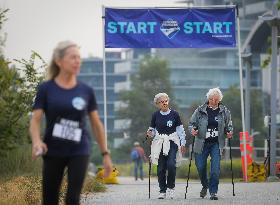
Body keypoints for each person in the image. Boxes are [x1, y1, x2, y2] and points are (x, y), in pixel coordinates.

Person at [29, 40, 113, 205]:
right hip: (53, 149)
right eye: (73, 57)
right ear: (59, 61)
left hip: (79, 148)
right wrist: (37, 141)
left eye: (79, 57)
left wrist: (105, 155)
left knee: (72, 199)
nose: (77, 61)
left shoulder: (85, 91)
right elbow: (35, 120)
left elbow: (96, 125)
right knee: (50, 199)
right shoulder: (46, 89)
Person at [188, 87, 233, 200]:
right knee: (200, 166)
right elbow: (191, 123)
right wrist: (193, 129)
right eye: (212, 99)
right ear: (208, 98)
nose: (213, 101)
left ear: (219, 100)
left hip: (216, 144)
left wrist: (229, 131)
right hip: (201, 143)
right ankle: (205, 185)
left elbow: (229, 125)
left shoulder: (224, 111)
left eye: (216, 99)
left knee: (215, 169)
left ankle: (213, 192)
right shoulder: (200, 110)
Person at [146, 93, 186, 199]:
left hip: (172, 141)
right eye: (162, 102)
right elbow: (153, 130)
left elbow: (180, 130)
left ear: (168, 101)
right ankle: (162, 191)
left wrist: (183, 143)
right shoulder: (155, 115)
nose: (164, 103)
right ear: (158, 104)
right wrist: (150, 133)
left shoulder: (174, 114)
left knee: (171, 165)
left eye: (166, 101)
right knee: (161, 168)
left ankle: (171, 187)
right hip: (160, 143)